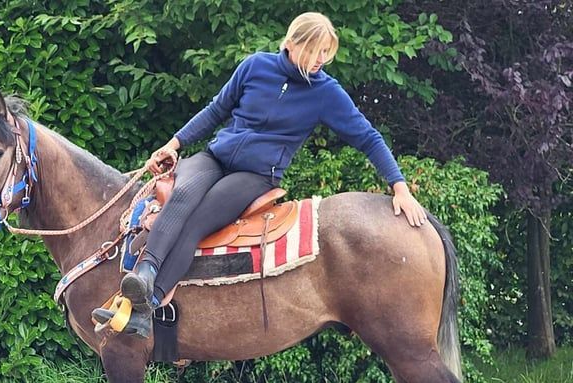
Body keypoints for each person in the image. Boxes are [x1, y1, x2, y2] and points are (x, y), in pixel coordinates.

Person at [101, 12, 427, 337]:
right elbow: (216, 110)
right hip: (216, 157)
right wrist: (173, 144)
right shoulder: (256, 65)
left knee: (199, 219)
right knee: (182, 196)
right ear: (291, 43)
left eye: (327, 52)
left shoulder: (326, 92)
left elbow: (367, 136)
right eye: (315, 51)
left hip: (256, 175)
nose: (321, 60)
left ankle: (149, 307)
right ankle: (144, 275)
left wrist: (399, 187)